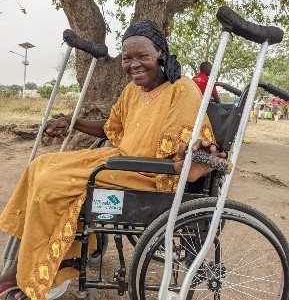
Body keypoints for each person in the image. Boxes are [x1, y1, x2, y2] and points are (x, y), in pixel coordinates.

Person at [0, 20, 224, 300]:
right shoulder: (133, 91)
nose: (134, 65)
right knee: (40, 165)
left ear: (161, 55)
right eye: (127, 59)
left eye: (143, 57)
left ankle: (42, 274)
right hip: (118, 160)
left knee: (51, 184)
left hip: (146, 175)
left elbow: (187, 148)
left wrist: (194, 153)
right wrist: (72, 121)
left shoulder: (182, 89)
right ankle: (24, 256)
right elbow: (111, 127)